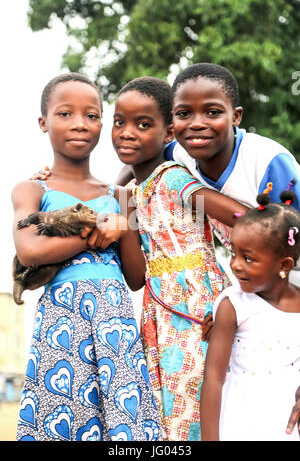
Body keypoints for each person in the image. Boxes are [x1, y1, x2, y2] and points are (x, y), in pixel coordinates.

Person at [94, 75, 249, 441]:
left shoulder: (175, 181)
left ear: (168, 135)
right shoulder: (130, 196)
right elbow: (134, 275)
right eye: (120, 123)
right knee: (169, 414)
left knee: (201, 404)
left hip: (199, 303)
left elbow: (241, 218)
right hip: (157, 310)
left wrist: (238, 293)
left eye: (143, 124)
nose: (128, 133)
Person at [12, 73, 162, 441]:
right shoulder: (33, 188)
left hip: (116, 321)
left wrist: (124, 224)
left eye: (92, 115)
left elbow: (135, 277)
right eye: (65, 114)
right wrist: (94, 231)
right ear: (43, 122)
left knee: (123, 423)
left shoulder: (121, 196)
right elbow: (29, 250)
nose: (80, 123)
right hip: (63, 321)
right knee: (63, 415)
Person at [117, 63, 300, 250]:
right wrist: (111, 201)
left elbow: (291, 232)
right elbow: (138, 161)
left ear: (236, 116)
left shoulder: (268, 162)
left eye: (213, 112)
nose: (196, 124)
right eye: (184, 113)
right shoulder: (180, 152)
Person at [200, 187, 300, 441]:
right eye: (234, 253)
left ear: (284, 265)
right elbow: (213, 380)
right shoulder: (233, 305)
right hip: (241, 415)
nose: (235, 264)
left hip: (286, 418)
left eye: (248, 258)